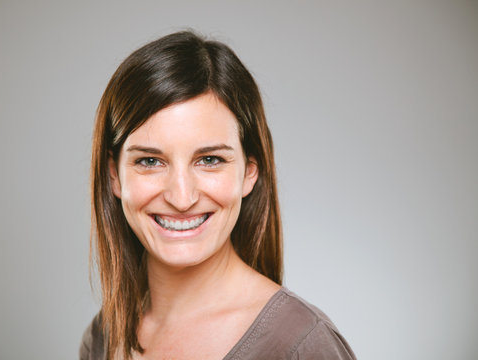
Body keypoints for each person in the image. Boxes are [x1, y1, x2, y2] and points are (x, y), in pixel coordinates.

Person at [80, 31, 356, 360]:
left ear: (249, 172)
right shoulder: (102, 338)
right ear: (114, 176)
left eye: (210, 160)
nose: (181, 198)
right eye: (150, 161)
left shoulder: (303, 345)